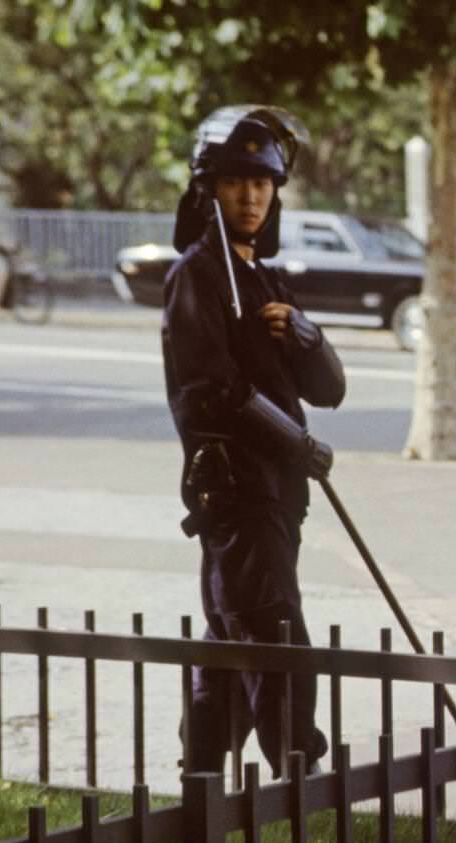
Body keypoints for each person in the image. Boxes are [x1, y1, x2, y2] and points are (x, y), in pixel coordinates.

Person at [162, 105, 346, 778]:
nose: (251, 196)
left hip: (276, 498)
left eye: (263, 183)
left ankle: (201, 783)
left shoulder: (266, 280)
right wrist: (297, 442)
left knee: (228, 641)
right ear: (208, 188)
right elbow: (212, 390)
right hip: (236, 495)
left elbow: (330, 390)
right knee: (276, 636)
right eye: (236, 181)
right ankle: (301, 780)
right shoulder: (197, 275)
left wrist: (308, 336)